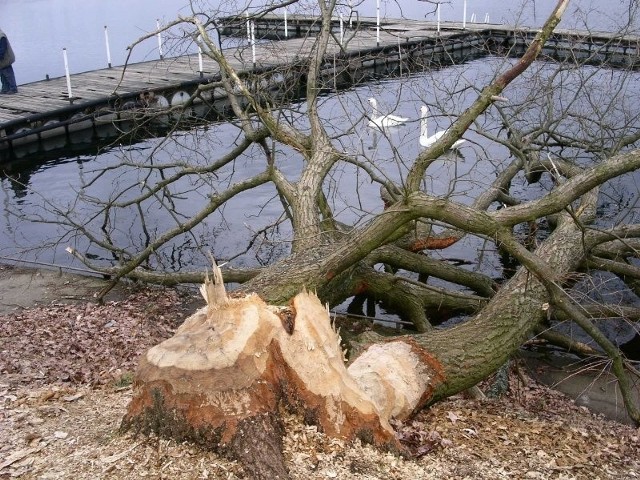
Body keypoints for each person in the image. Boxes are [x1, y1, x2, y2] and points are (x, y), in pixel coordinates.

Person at [0, 28, 18, 94]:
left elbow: (2, 49)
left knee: (8, 74)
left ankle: (13, 88)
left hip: (6, 58)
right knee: (2, 74)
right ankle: (5, 88)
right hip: (1, 60)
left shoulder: (1, 36)